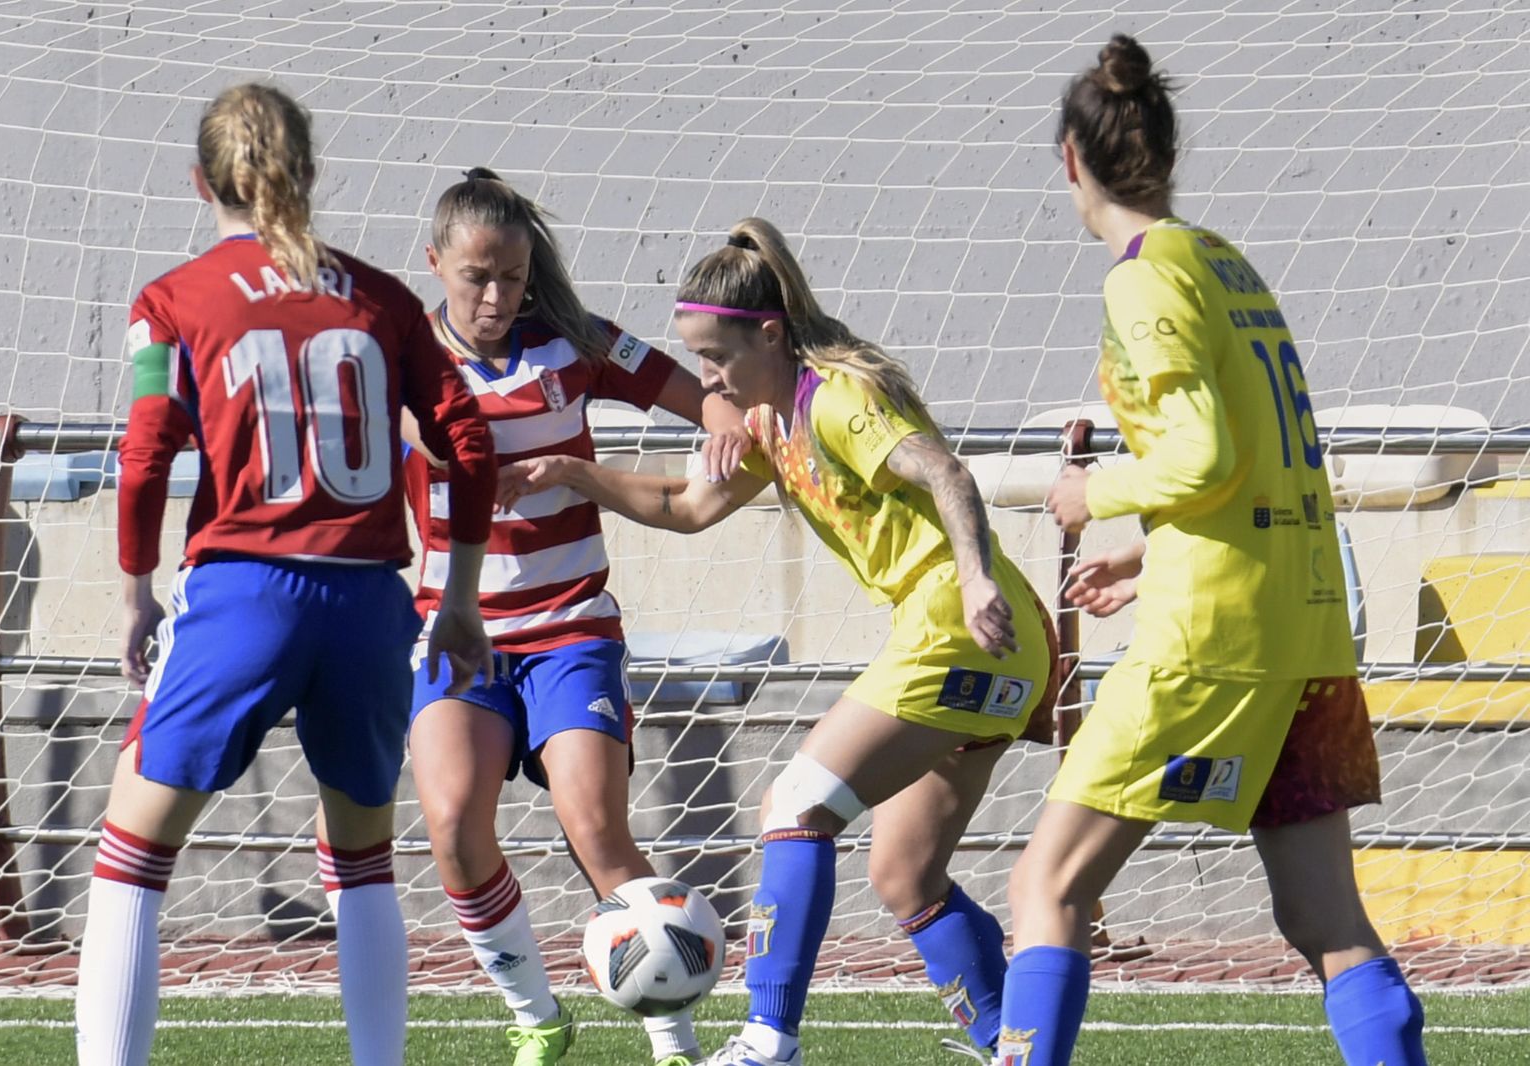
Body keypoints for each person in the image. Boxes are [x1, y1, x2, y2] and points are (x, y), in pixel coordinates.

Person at [496, 216, 1060, 1066]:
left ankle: (767, 1040)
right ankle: (1012, 1050)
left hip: (959, 622)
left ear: (770, 333)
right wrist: (579, 474)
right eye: (697, 361)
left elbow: (945, 469)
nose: (708, 380)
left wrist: (977, 577)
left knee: (794, 806)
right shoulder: (770, 423)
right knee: (904, 874)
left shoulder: (835, 398)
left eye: (718, 359)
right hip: (997, 649)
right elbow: (684, 510)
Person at [1009, 35, 1427, 1066]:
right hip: (1303, 625)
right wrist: (1146, 556)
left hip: (1213, 641)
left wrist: (1089, 494)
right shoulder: (1224, 263)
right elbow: (1264, 468)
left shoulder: (1142, 281)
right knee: (1323, 919)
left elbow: (1202, 453)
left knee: (1046, 888)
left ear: (1070, 159)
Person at [74, 83, 497, 1066]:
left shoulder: (170, 302)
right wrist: (461, 596)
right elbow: (467, 443)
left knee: (132, 855)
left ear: (198, 182)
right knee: (362, 859)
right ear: (309, 174)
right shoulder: (385, 298)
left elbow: (144, 454)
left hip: (243, 591)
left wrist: (136, 591)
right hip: (366, 600)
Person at [402, 168, 748, 1066]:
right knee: (451, 825)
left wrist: (727, 426)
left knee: (595, 826)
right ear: (434, 262)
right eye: (476, 275)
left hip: (570, 628)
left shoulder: (574, 342)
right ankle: (538, 1016)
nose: (493, 295)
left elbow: (696, 392)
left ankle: (673, 1037)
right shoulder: (400, 364)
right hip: (458, 634)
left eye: (510, 278)